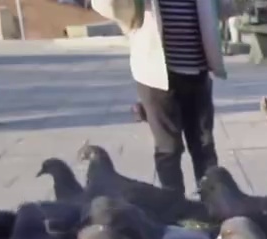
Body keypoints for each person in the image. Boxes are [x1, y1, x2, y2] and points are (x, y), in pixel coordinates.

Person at [90, 0, 227, 195]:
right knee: (169, 148)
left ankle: (214, 204)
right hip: (157, 78)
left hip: (198, 73)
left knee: (204, 145)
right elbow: (105, 5)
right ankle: (175, 208)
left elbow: (224, 9)